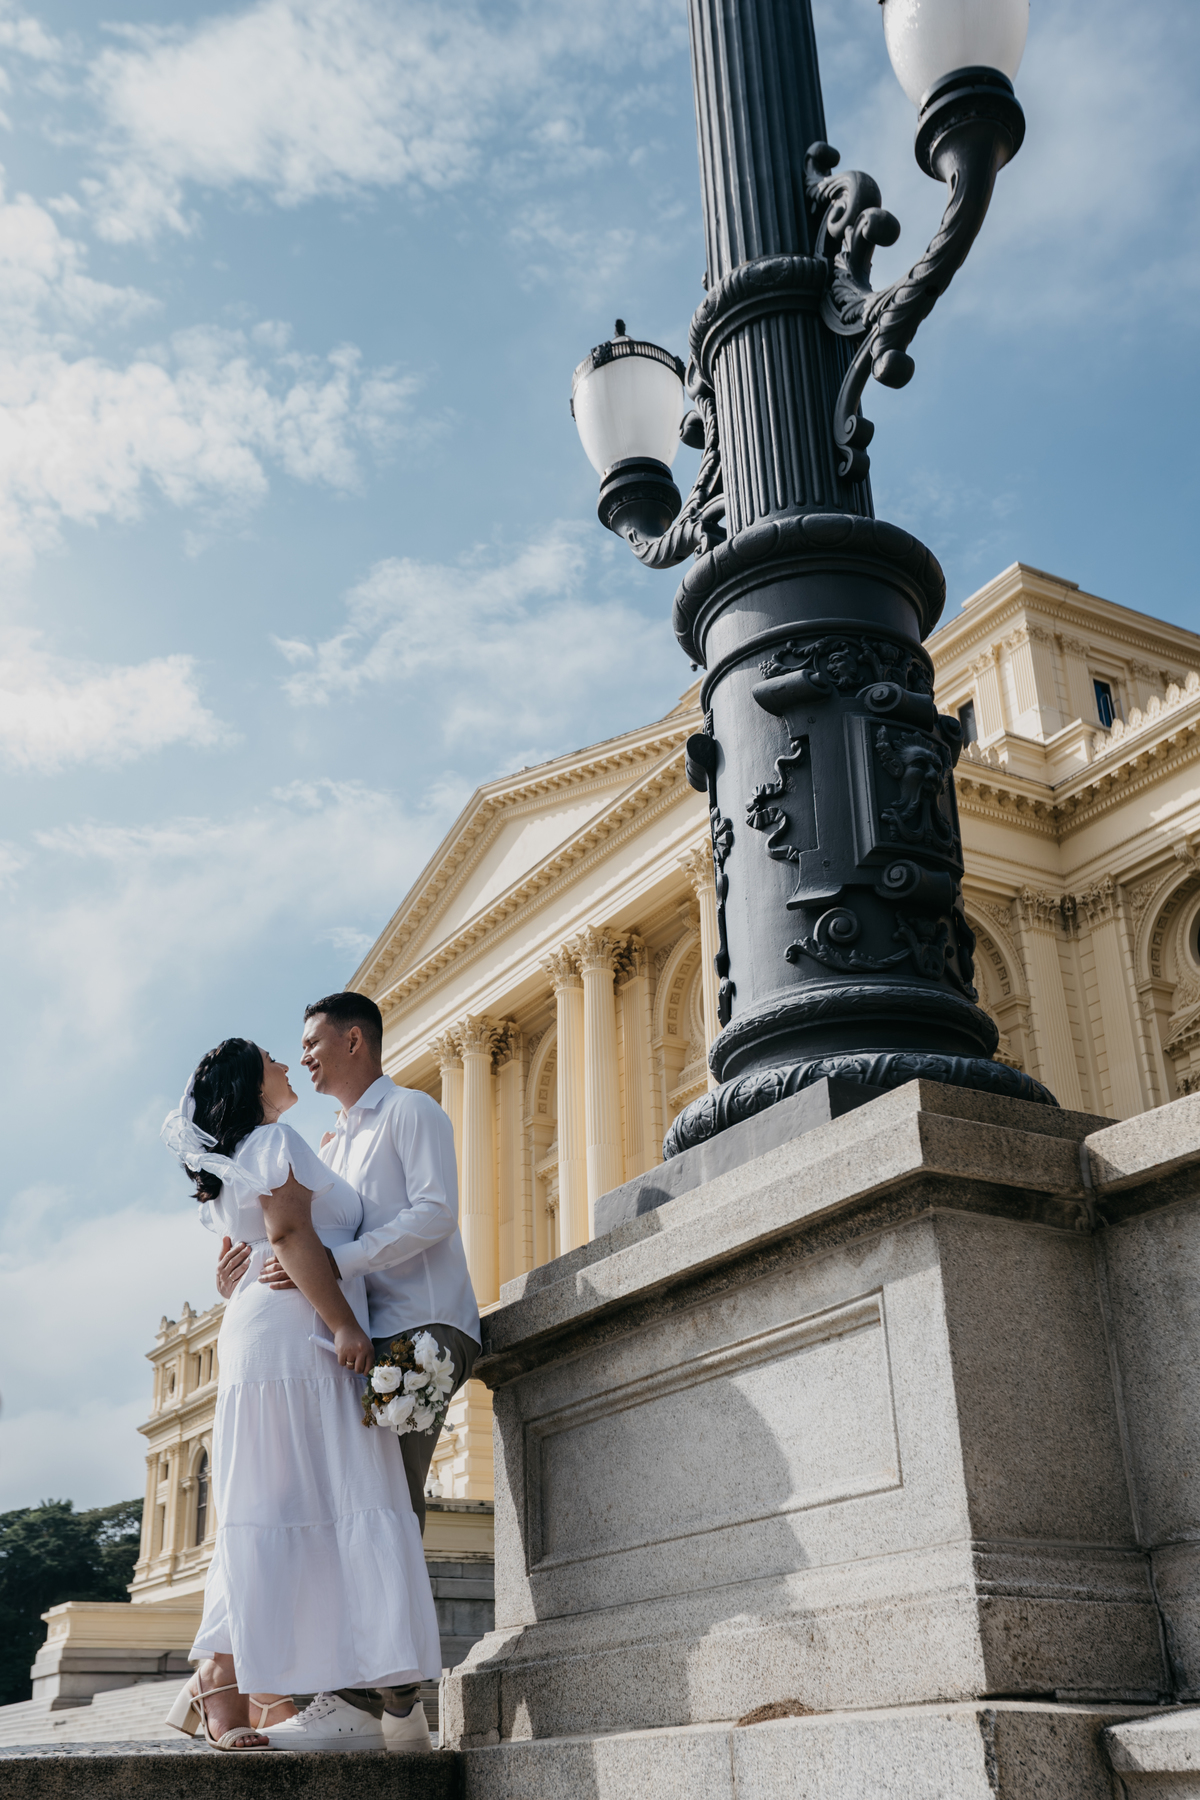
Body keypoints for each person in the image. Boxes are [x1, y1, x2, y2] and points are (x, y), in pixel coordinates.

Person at [216, 991, 480, 1751]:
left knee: (384, 1504)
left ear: (355, 1040)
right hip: (363, 1341)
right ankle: (384, 1707)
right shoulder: (330, 1142)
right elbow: (298, 1235)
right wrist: (248, 1269)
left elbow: (435, 1211)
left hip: (421, 1328)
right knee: (357, 1503)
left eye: (312, 1042)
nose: (302, 1056)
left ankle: (373, 1702)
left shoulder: (411, 1112)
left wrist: (340, 1262)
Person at [162, 1037, 441, 1753]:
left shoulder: (247, 1155)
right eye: (272, 1059)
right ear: (251, 1083)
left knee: (275, 1498)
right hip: (299, 1334)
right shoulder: (274, 1141)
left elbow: (256, 1244)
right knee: (312, 1494)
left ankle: (224, 1677)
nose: (287, 1065)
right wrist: (344, 1323)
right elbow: (288, 1232)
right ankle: (228, 1677)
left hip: (268, 1331)